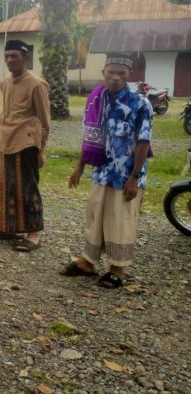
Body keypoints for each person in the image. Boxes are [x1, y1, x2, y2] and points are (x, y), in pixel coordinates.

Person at [62, 52, 152, 289]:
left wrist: (134, 178)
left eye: (121, 73)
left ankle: (117, 269)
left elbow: (143, 142)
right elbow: (89, 135)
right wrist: (80, 166)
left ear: (128, 75)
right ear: (104, 72)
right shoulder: (97, 100)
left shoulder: (140, 103)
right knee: (95, 216)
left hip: (126, 175)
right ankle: (88, 262)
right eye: (111, 72)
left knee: (120, 220)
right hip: (102, 171)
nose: (115, 77)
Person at [0, 39, 50, 252]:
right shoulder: (6, 82)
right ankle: (10, 228)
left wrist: (41, 150)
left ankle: (33, 234)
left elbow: (45, 122)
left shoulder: (37, 84)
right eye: (7, 56)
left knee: (27, 188)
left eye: (14, 56)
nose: (10, 60)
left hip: (26, 143)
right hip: (6, 140)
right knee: (7, 187)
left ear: (25, 58)